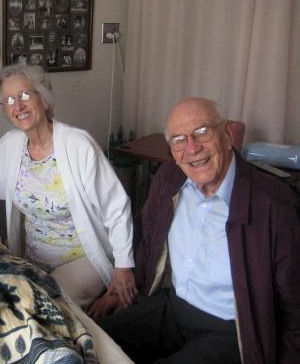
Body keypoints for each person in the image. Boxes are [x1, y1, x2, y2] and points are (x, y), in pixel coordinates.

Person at [96, 97, 300, 363]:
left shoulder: (274, 205)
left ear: (227, 135)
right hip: (171, 309)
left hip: (232, 332)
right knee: (92, 339)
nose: (191, 148)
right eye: (179, 139)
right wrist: (124, 294)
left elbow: (295, 307)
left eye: (202, 132)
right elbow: (148, 244)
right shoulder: (169, 180)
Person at [0, 64, 136, 309]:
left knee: (45, 306)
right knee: (5, 302)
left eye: (24, 95)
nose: (17, 106)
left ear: (45, 100)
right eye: (8, 100)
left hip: (82, 259)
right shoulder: (11, 145)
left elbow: (116, 206)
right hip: (32, 259)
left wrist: (123, 268)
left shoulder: (78, 145)